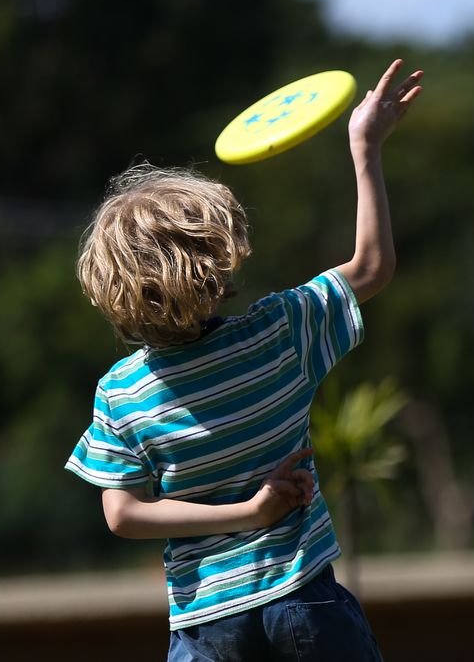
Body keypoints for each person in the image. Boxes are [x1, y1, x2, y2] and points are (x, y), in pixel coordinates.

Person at [64, 59, 423, 661]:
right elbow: (370, 268)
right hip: (304, 602)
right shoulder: (277, 335)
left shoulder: (122, 391)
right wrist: (366, 147)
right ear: (215, 261)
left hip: (206, 626)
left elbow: (122, 514)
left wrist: (241, 512)